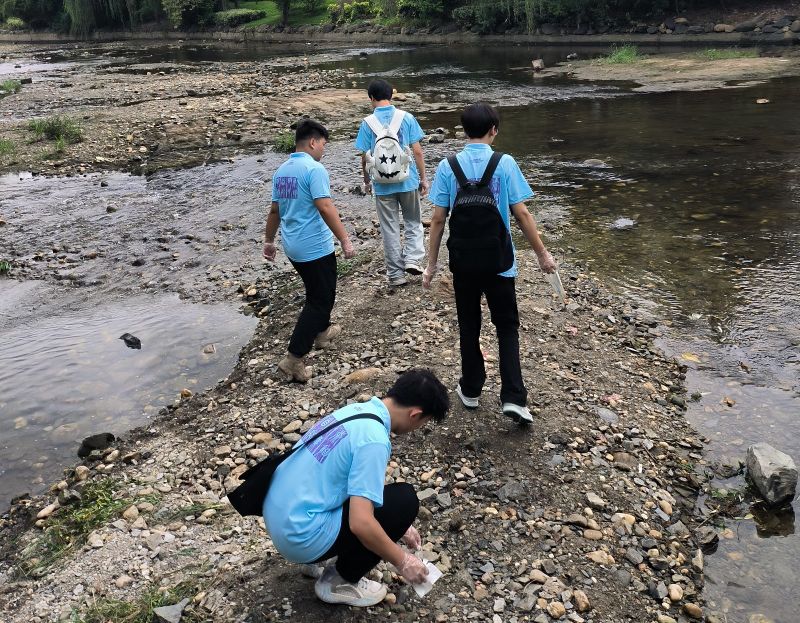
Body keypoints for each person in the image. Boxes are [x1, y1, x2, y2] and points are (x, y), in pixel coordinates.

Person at [263, 369, 450, 607]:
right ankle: (338, 580)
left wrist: (399, 528)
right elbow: (360, 524)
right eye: (423, 423)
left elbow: (350, 476)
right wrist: (403, 561)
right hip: (300, 537)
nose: (418, 428)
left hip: (280, 517)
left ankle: (314, 560)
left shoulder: (357, 411)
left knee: (381, 501)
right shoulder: (375, 440)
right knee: (404, 501)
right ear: (415, 414)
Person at [423, 103, 557, 424]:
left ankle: (471, 388)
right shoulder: (504, 163)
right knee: (507, 327)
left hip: (463, 263)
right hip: (500, 262)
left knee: (469, 326)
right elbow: (521, 214)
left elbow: (438, 220)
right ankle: (513, 397)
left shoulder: (447, 166)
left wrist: (431, 265)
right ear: (493, 130)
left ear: (463, 130)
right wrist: (542, 254)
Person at [264, 119, 355, 382]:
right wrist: (345, 239)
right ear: (313, 142)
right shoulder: (314, 169)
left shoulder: (282, 171)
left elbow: (275, 210)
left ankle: (323, 333)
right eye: (324, 144)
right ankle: (293, 359)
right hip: (314, 246)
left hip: (293, 245)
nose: (324, 149)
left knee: (318, 291)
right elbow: (325, 206)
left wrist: (268, 241)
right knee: (320, 300)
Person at [355, 79, 429, 288]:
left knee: (389, 228)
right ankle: (412, 259)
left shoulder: (367, 123)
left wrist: (367, 181)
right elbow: (417, 152)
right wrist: (423, 178)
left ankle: (396, 275)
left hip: (381, 183)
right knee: (413, 221)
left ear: (371, 98)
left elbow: (365, 157)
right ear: (391, 95)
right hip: (407, 180)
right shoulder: (406, 117)